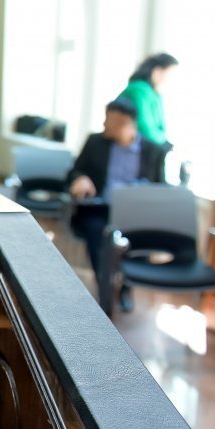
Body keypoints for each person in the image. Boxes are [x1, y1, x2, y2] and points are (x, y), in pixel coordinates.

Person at [68, 98, 167, 310]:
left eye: (109, 120)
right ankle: (105, 290)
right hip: (100, 209)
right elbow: (74, 171)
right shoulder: (95, 142)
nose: (104, 124)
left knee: (142, 236)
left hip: (136, 213)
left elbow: (160, 188)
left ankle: (126, 288)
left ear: (125, 123)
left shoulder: (153, 151)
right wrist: (81, 178)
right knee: (97, 234)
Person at [118, 53, 178, 148]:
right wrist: (163, 141)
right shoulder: (139, 90)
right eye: (170, 75)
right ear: (157, 72)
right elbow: (145, 126)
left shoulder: (154, 94)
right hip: (129, 147)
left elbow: (161, 127)